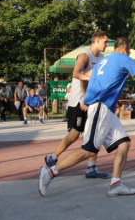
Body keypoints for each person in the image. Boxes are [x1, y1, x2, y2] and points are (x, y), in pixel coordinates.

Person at [38, 38, 135, 197]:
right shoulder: (124, 59)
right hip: (100, 108)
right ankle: (50, 172)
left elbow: (83, 76)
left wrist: (87, 96)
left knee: (124, 143)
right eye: (128, 50)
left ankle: (115, 184)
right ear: (125, 48)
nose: (129, 53)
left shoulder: (103, 61)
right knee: (88, 151)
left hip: (106, 109)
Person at [44, 30, 110, 179]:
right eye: (105, 42)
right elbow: (76, 74)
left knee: (94, 134)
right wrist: (85, 97)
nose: (107, 44)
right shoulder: (84, 55)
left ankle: (91, 168)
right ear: (96, 41)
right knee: (74, 135)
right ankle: (52, 158)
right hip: (78, 102)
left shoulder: (102, 57)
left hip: (91, 102)